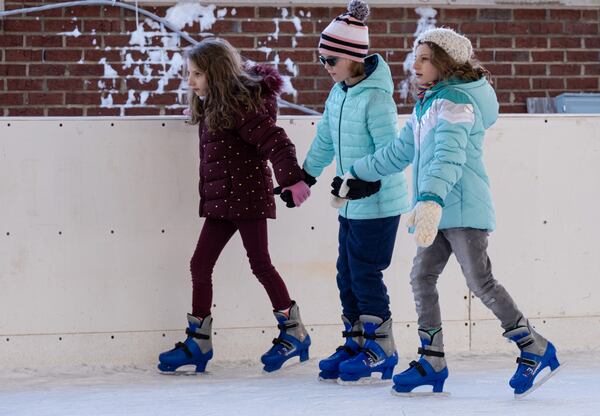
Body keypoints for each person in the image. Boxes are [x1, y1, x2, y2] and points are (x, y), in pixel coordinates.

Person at [338, 27, 560, 397]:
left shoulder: (456, 102)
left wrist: (430, 199)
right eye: (415, 57)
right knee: (421, 276)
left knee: (480, 282)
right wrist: (357, 174)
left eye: (425, 58)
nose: (416, 65)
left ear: (446, 63)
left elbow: (449, 157)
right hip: (435, 209)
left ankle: (533, 346)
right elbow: (398, 152)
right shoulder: (427, 103)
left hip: (462, 210)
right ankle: (432, 359)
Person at [158, 38, 312, 374]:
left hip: (248, 198)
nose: (190, 81)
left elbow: (275, 140)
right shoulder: (215, 106)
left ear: (216, 74)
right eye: (190, 74)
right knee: (200, 263)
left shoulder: (241, 108)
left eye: (197, 74)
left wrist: (291, 178)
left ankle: (294, 332)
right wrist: (199, 109)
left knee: (260, 264)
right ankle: (199, 340)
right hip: (223, 201)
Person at [298, 0, 411, 383]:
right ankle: (356, 340)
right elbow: (326, 138)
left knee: (364, 273)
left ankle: (382, 347)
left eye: (331, 60)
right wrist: (306, 176)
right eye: (322, 60)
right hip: (350, 203)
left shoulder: (376, 97)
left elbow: (390, 151)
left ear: (353, 59)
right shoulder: (340, 94)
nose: (326, 67)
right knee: (345, 273)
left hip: (378, 203)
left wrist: (369, 181)